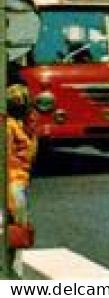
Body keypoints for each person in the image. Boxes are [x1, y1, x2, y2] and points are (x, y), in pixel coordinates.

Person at [7, 85, 36, 236]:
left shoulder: (20, 126)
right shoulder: (9, 126)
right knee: (18, 231)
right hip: (13, 182)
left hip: (20, 179)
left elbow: (30, 154)